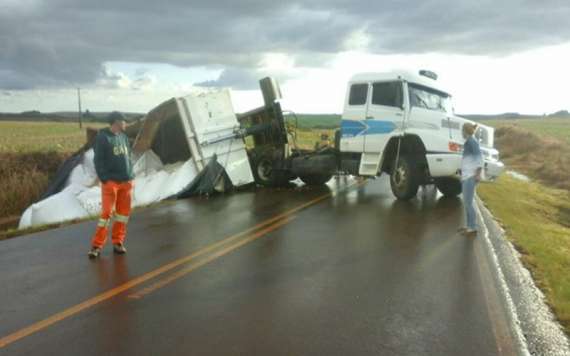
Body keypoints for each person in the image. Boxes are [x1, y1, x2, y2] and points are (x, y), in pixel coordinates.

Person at [88, 112, 134, 258]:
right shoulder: (103, 138)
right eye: (124, 121)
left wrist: (131, 175)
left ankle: (118, 242)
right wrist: (105, 179)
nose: (126, 123)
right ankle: (96, 246)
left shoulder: (124, 137)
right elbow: (98, 161)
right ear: (116, 122)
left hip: (126, 182)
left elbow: (129, 157)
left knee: (122, 215)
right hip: (111, 183)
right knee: (106, 214)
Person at [459, 122, 483, 236]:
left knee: (468, 202)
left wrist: (477, 174)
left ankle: (472, 227)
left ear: (465, 131)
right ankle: (469, 225)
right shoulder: (469, 142)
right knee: (467, 202)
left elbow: (479, 159)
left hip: (471, 176)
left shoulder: (472, 142)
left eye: (462, 130)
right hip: (467, 175)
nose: (461, 133)